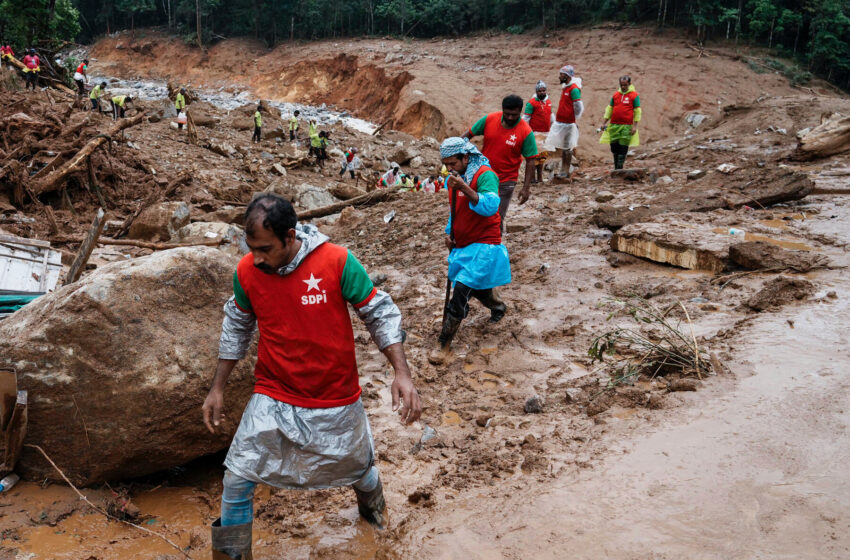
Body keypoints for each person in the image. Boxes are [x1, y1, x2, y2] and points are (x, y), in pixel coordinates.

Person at [202, 193, 421, 558]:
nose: (256, 258)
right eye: (251, 248)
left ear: (290, 236)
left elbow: (378, 313)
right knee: (238, 475)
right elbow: (236, 326)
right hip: (274, 392)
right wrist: (217, 388)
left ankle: (376, 521)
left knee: (358, 469)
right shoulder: (247, 272)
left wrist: (402, 373)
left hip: (334, 396)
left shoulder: (337, 261)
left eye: (265, 249)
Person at [429, 137, 511, 365]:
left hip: (485, 242)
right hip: (464, 242)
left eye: (453, 163)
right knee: (474, 286)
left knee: (462, 289)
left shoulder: (485, 175)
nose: (449, 169)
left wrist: (464, 187)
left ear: (465, 157)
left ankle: (443, 343)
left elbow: (490, 206)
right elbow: (454, 210)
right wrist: (450, 233)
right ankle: (497, 305)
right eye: (446, 165)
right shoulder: (453, 180)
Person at [463, 94, 538, 231]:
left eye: (514, 115)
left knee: (496, 217)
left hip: (506, 181)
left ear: (520, 112)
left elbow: (531, 160)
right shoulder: (490, 119)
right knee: (475, 214)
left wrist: (526, 188)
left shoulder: (525, 131)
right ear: (502, 109)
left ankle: (494, 248)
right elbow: (468, 135)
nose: (510, 118)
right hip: (482, 176)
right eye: (507, 114)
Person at [544, 65, 584, 179]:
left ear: (566, 76)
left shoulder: (573, 89)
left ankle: (565, 170)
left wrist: (574, 118)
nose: (559, 76)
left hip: (568, 123)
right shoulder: (566, 86)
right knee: (561, 145)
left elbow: (578, 106)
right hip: (561, 122)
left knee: (567, 147)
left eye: (561, 74)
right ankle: (563, 169)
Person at [599, 75, 641, 170]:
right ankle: (616, 168)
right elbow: (609, 109)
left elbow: (637, 111)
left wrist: (635, 126)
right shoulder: (615, 95)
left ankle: (619, 168)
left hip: (627, 126)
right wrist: (604, 122)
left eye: (625, 85)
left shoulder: (634, 96)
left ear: (629, 84)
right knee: (614, 147)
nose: (623, 87)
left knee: (623, 147)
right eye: (621, 85)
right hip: (614, 125)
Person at [522, 81, 552, 184]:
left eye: (544, 90)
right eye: (540, 91)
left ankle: (540, 177)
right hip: (534, 134)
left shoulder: (548, 102)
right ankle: (532, 178)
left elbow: (550, 116)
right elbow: (526, 118)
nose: (542, 93)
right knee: (534, 157)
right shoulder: (531, 103)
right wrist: (525, 132)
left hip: (545, 134)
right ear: (536, 91)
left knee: (542, 156)